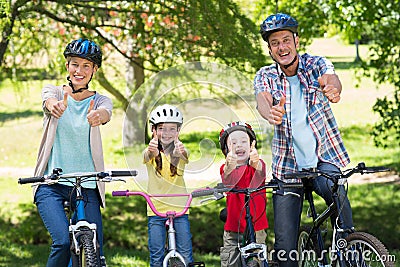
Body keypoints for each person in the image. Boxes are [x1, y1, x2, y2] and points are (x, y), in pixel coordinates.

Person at [254, 13, 353, 266]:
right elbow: (262, 101)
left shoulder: (314, 64)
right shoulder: (266, 75)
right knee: (285, 249)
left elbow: (330, 78)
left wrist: (333, 89)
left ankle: (348, 254)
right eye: (275, 43)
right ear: (270, 48)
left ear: (296, 40)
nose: (282, 47)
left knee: (338, 194)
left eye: (286, 40)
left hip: (322, 159)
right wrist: (270, 112)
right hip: (287, 169)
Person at [32, 38, 112, 267]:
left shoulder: (100, 100)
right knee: (63, 243)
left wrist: (100, 116)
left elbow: (106, 112)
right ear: (67, 66)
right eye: (75, 64)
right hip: (51, 185)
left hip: (87, 184)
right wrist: (53, 106)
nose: (80, 70)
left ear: (95, 70)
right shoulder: (55, 93)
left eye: (86, 66)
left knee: (95, 246)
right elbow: (47, 100)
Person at [143, 104, 194, 267]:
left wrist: (181, 152)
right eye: (162, 128)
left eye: (172, 129)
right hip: (155, 209)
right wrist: (152, 151)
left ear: (178, 131)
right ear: (153, 130)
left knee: (186, 254)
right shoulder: (150, 152)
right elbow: (147, 155)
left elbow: (185, 156)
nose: (167, 133)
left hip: (179, 208)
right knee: (156, 255)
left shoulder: (181, 151)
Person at [218, 121, 269, 267]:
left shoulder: (258, 165)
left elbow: (260, 170)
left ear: (252, 145)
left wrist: (255, 161)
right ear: (226, 150)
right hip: (234, 226)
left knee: (258, 260)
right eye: (233, 143)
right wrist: (230, 165)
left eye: (244, 141)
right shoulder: (226, 168)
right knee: (231, 260)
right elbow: (227, 178)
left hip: (257, 225)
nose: (239, 145)